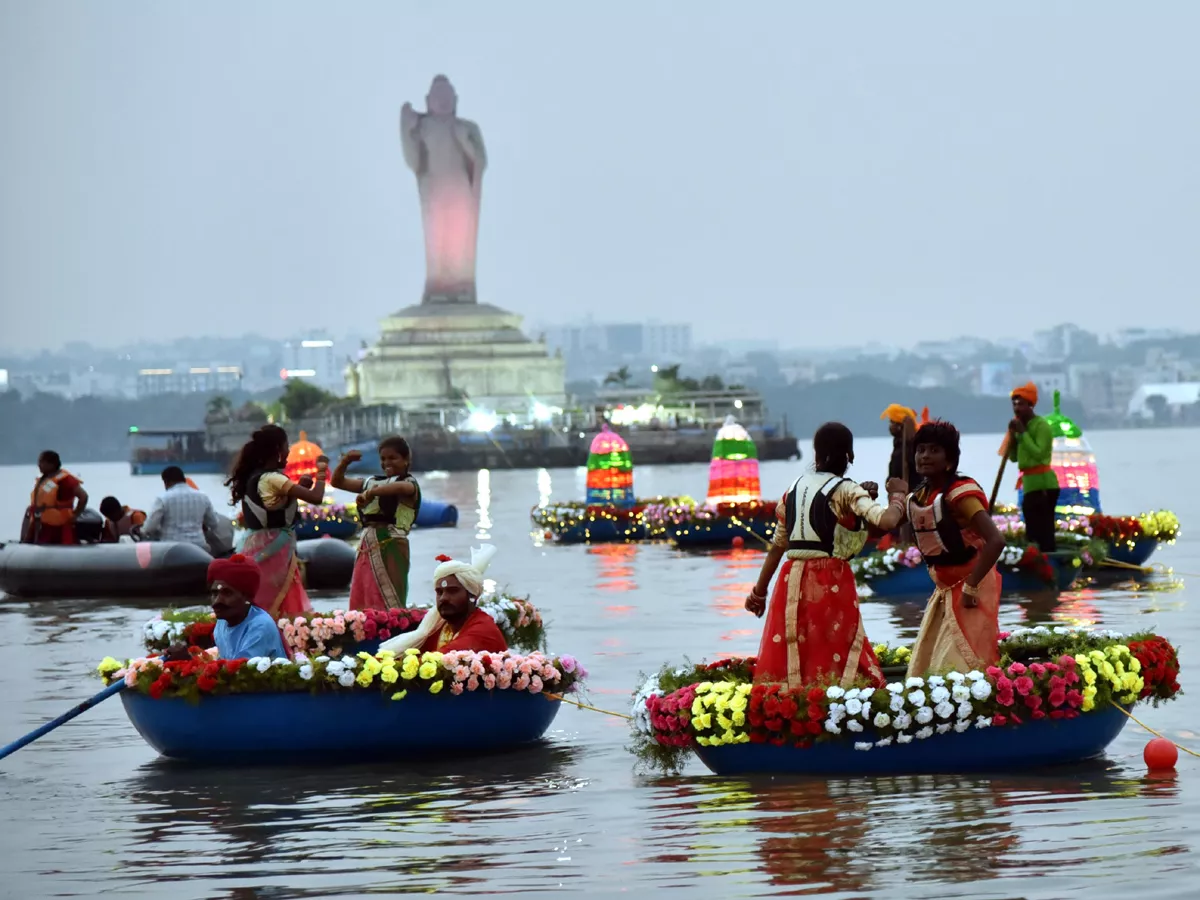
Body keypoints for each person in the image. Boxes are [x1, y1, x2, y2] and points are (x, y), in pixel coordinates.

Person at [744, 423, 908, 691]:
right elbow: (888, 521)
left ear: (816, 454)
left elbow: (777, 548)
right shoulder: (846, 489)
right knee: (834, 648)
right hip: (827, 579)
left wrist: (758, 593)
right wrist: (898, 494)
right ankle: (839, 709)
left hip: (790, 579)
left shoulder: (792, 490)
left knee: (799, 650)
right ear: (850, 455)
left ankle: (800, 709)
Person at [901, 420, 1006, 676]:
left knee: (965, 664)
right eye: (921, 449)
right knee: (929, 664)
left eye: (934, 450)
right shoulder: (920, 495)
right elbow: (888, 529)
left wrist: (971, 586)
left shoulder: (961, 493)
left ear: (949, 460)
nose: (925, 456)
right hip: (944, 589)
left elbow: (996, 541)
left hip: (973, 586)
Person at [226, 424, 326, 618]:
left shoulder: (259, 477)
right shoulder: (272, 478)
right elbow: (316, 497)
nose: (289, 451)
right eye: (286, 446)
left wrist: (297, 489)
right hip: (273, 545)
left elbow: (275, 503)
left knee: (266, 596)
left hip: (259, 542)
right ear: (278, 450)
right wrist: (321, 471)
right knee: (276, 598)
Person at [330, 437, 422, 610]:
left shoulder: (410, 484)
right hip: (367, 544)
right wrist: (345, 462)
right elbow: (337, 482)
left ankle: (393, 629)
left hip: (392, 544)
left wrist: (371, 493)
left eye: (393, 458)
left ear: (406, 460)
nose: (387, 463)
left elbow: (400, 489)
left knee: (391, 595)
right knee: (363, 592)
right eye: (383, 459)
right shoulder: (372, 481)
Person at [380, 545, 507, 654]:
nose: (444, 598)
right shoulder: (440, 627)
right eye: (439, 592)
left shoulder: (483, 629)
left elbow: (441, 661)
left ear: (472, 595)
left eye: (452, 591)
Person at [1006, 382, 1060, 552]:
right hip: (1029, 485)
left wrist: (1023, 434)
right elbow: (1014, 458)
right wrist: (1013, 439)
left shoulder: (1041, 425)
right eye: (1014, 404)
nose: (1017, 408)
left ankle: (1049, 566)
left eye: (1021, 404)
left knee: (1044, 532)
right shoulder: (1021, 427)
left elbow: (1040, 454)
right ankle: (1035, 563)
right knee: (1031, 531)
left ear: (1030, 405)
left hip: (1044, 485)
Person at [207, 554, 288, 659]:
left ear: (247, 597)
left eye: (227, 593)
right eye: (214, 593)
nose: (217, 601)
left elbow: (240, 671)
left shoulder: (260, 625)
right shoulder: (222, 622)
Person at [142, 466, 222, 551]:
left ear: (166, 482)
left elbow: (149, 528)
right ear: (183, 479)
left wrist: (143, 531)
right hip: (199, 549)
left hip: (172, 550)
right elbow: (214, 523)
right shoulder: (203, 497)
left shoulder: (163, 498)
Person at [20, 451, 89, 545]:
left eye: (41, 462)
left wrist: (75, 515)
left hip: (58, 528)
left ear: (51, 464)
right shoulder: (44, 479)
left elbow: (83, 497)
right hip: (41, 525)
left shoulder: (65, 479)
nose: (39, 465)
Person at [880, 404, 918, 485]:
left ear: (900, 426)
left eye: (893, 422)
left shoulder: (911, 447)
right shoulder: (898, 445)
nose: (890, 426)